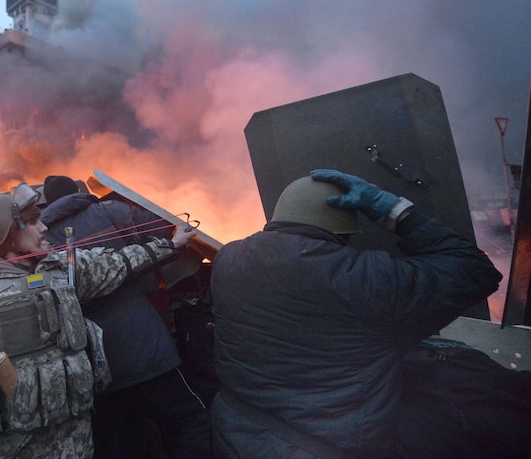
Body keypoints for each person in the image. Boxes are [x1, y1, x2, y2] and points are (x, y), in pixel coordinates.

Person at [0, 183, 196, 459]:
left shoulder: (61, 270)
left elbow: (115, 264)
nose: (43, 227)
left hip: (77, 445)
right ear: (5, 237)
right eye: (30, 221)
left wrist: (170, 245)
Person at [210, 170, 503, 459]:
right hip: (323, 447)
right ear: (344, 230)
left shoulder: (228, 259)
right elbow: (475, 270)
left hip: (237, 433)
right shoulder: (365, 278)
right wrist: (394, 211)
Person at [39, 175, 212, 459]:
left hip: (94, 369)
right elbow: (170, 231)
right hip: (146, 351)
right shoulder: (111, 211)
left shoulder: (42, 242)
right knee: (187, 422)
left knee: (122, 442)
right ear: (78, 192)